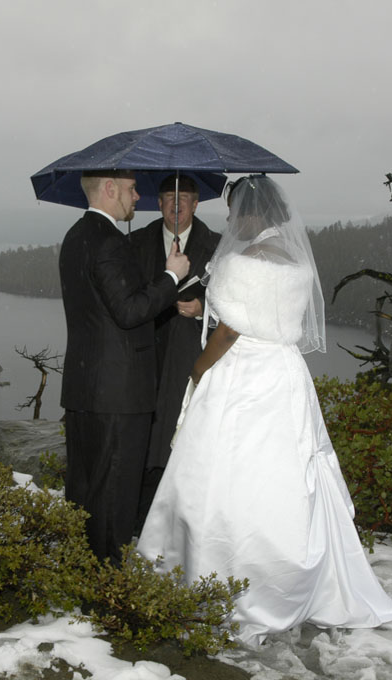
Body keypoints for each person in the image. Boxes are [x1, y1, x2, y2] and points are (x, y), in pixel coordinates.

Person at [137, 174, 392, 644]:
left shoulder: (245, 262)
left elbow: (229, 333)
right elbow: (271, 318)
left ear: (249, 213)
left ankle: (227, 578)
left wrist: (198, 370)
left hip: (242, 379)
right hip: (285, 376)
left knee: (227, 478)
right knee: (280, 476)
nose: (230, 218)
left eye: (234, 210)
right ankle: (288, 578)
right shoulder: (295, 263)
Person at [59, 169, 190, 563]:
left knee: (84, 489)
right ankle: (107, 586)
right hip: (119, 393)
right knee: (115, 494)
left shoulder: (75, 237)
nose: (138, 198)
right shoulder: (111, 242)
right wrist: (172, 277)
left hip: (85, 386)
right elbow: (130, 311)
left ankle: (81, 571)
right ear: (110, 189)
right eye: (132, 190)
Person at [129, 175, 220, 530]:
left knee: (183, 443)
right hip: (143, 358)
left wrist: (204, 309)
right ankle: (140, 520)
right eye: (169, 197)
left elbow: (235, 310)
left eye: (184, 197)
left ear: (197, 204)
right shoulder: (135, 243)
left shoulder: (217, 247)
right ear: (158, 202)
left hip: (191, 361)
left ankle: (180, 521)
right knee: (144, 441)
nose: (176, 204)